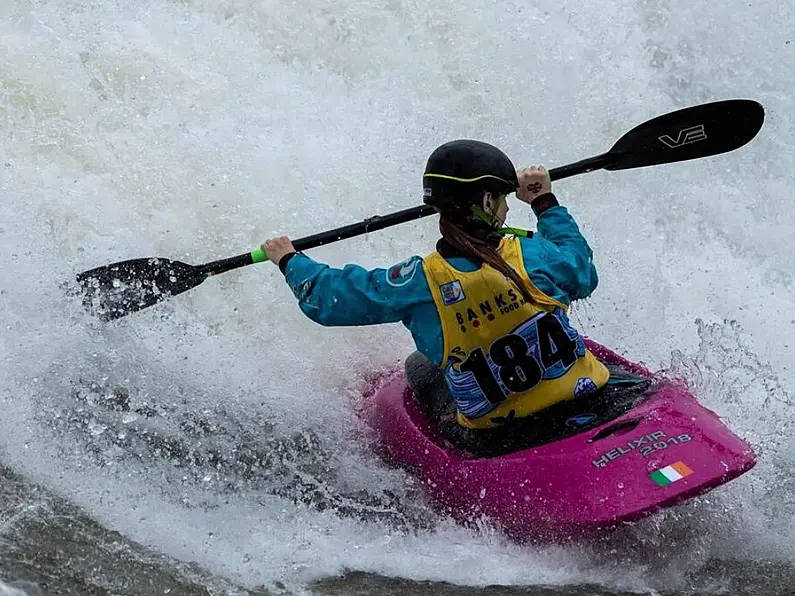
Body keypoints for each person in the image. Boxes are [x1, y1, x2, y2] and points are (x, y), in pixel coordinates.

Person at [262, 140, 628, 451]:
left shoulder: (417, 283)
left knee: (420, 366)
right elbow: (582, 271)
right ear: (487, 203)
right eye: (502, 198)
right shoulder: (535, 256)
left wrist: (289, 259)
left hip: (504, 439)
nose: (505, 207)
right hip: (585, 398)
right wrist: (543, 201)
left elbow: (328, 299)